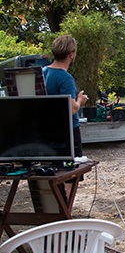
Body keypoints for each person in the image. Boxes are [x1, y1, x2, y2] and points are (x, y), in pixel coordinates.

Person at [42, 35, 88, 194]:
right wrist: (80, 100)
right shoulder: (65, 78)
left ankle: (54, 210)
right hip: (67, 132)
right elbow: (71, 109)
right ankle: (65, 211)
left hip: (47, 131)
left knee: (52, 172)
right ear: (71, 55)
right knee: (70, 174)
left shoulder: (43, 73)